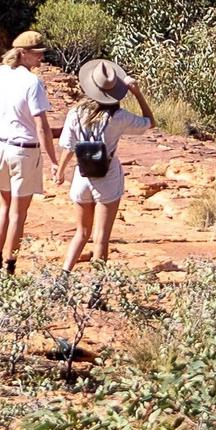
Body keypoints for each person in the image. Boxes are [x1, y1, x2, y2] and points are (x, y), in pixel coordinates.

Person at [57, 58, 156, 293]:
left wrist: (60, 171)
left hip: (82, 177)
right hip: (107, 178)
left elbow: (68, 147)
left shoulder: (75, 113)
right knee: (101, 238)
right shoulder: (118, 117)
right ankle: (96, 291)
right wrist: (138, 93)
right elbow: (150, 123)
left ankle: (63, 279)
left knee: (81, 233)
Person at [0, 28, 55, 274]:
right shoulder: (32, 82)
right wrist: (54, 161)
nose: (41, 59)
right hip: (24, 151)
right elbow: (42, 126)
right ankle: (9, 266)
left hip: (1, 147)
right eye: (37, 54)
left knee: (5, 207)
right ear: (23, 53)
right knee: (19, 213)